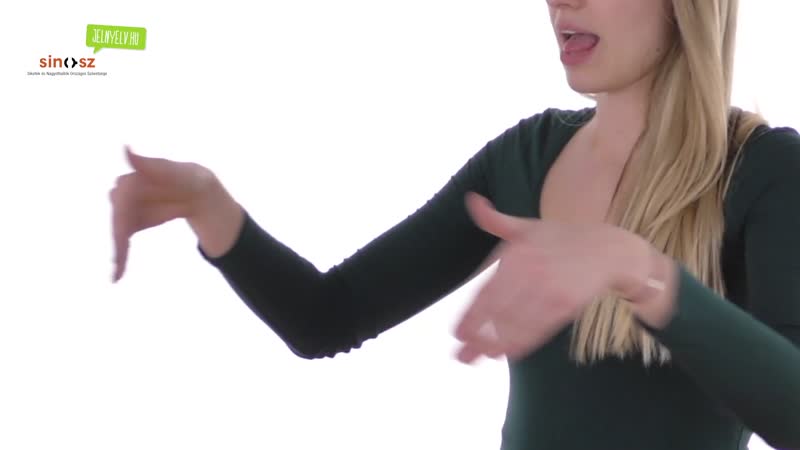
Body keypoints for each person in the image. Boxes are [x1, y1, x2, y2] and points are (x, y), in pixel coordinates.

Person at [109, 0, 800, 449]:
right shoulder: (525, 158)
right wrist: (211, 208)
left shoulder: (764, 170)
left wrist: (644, 274)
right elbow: (327, 317)